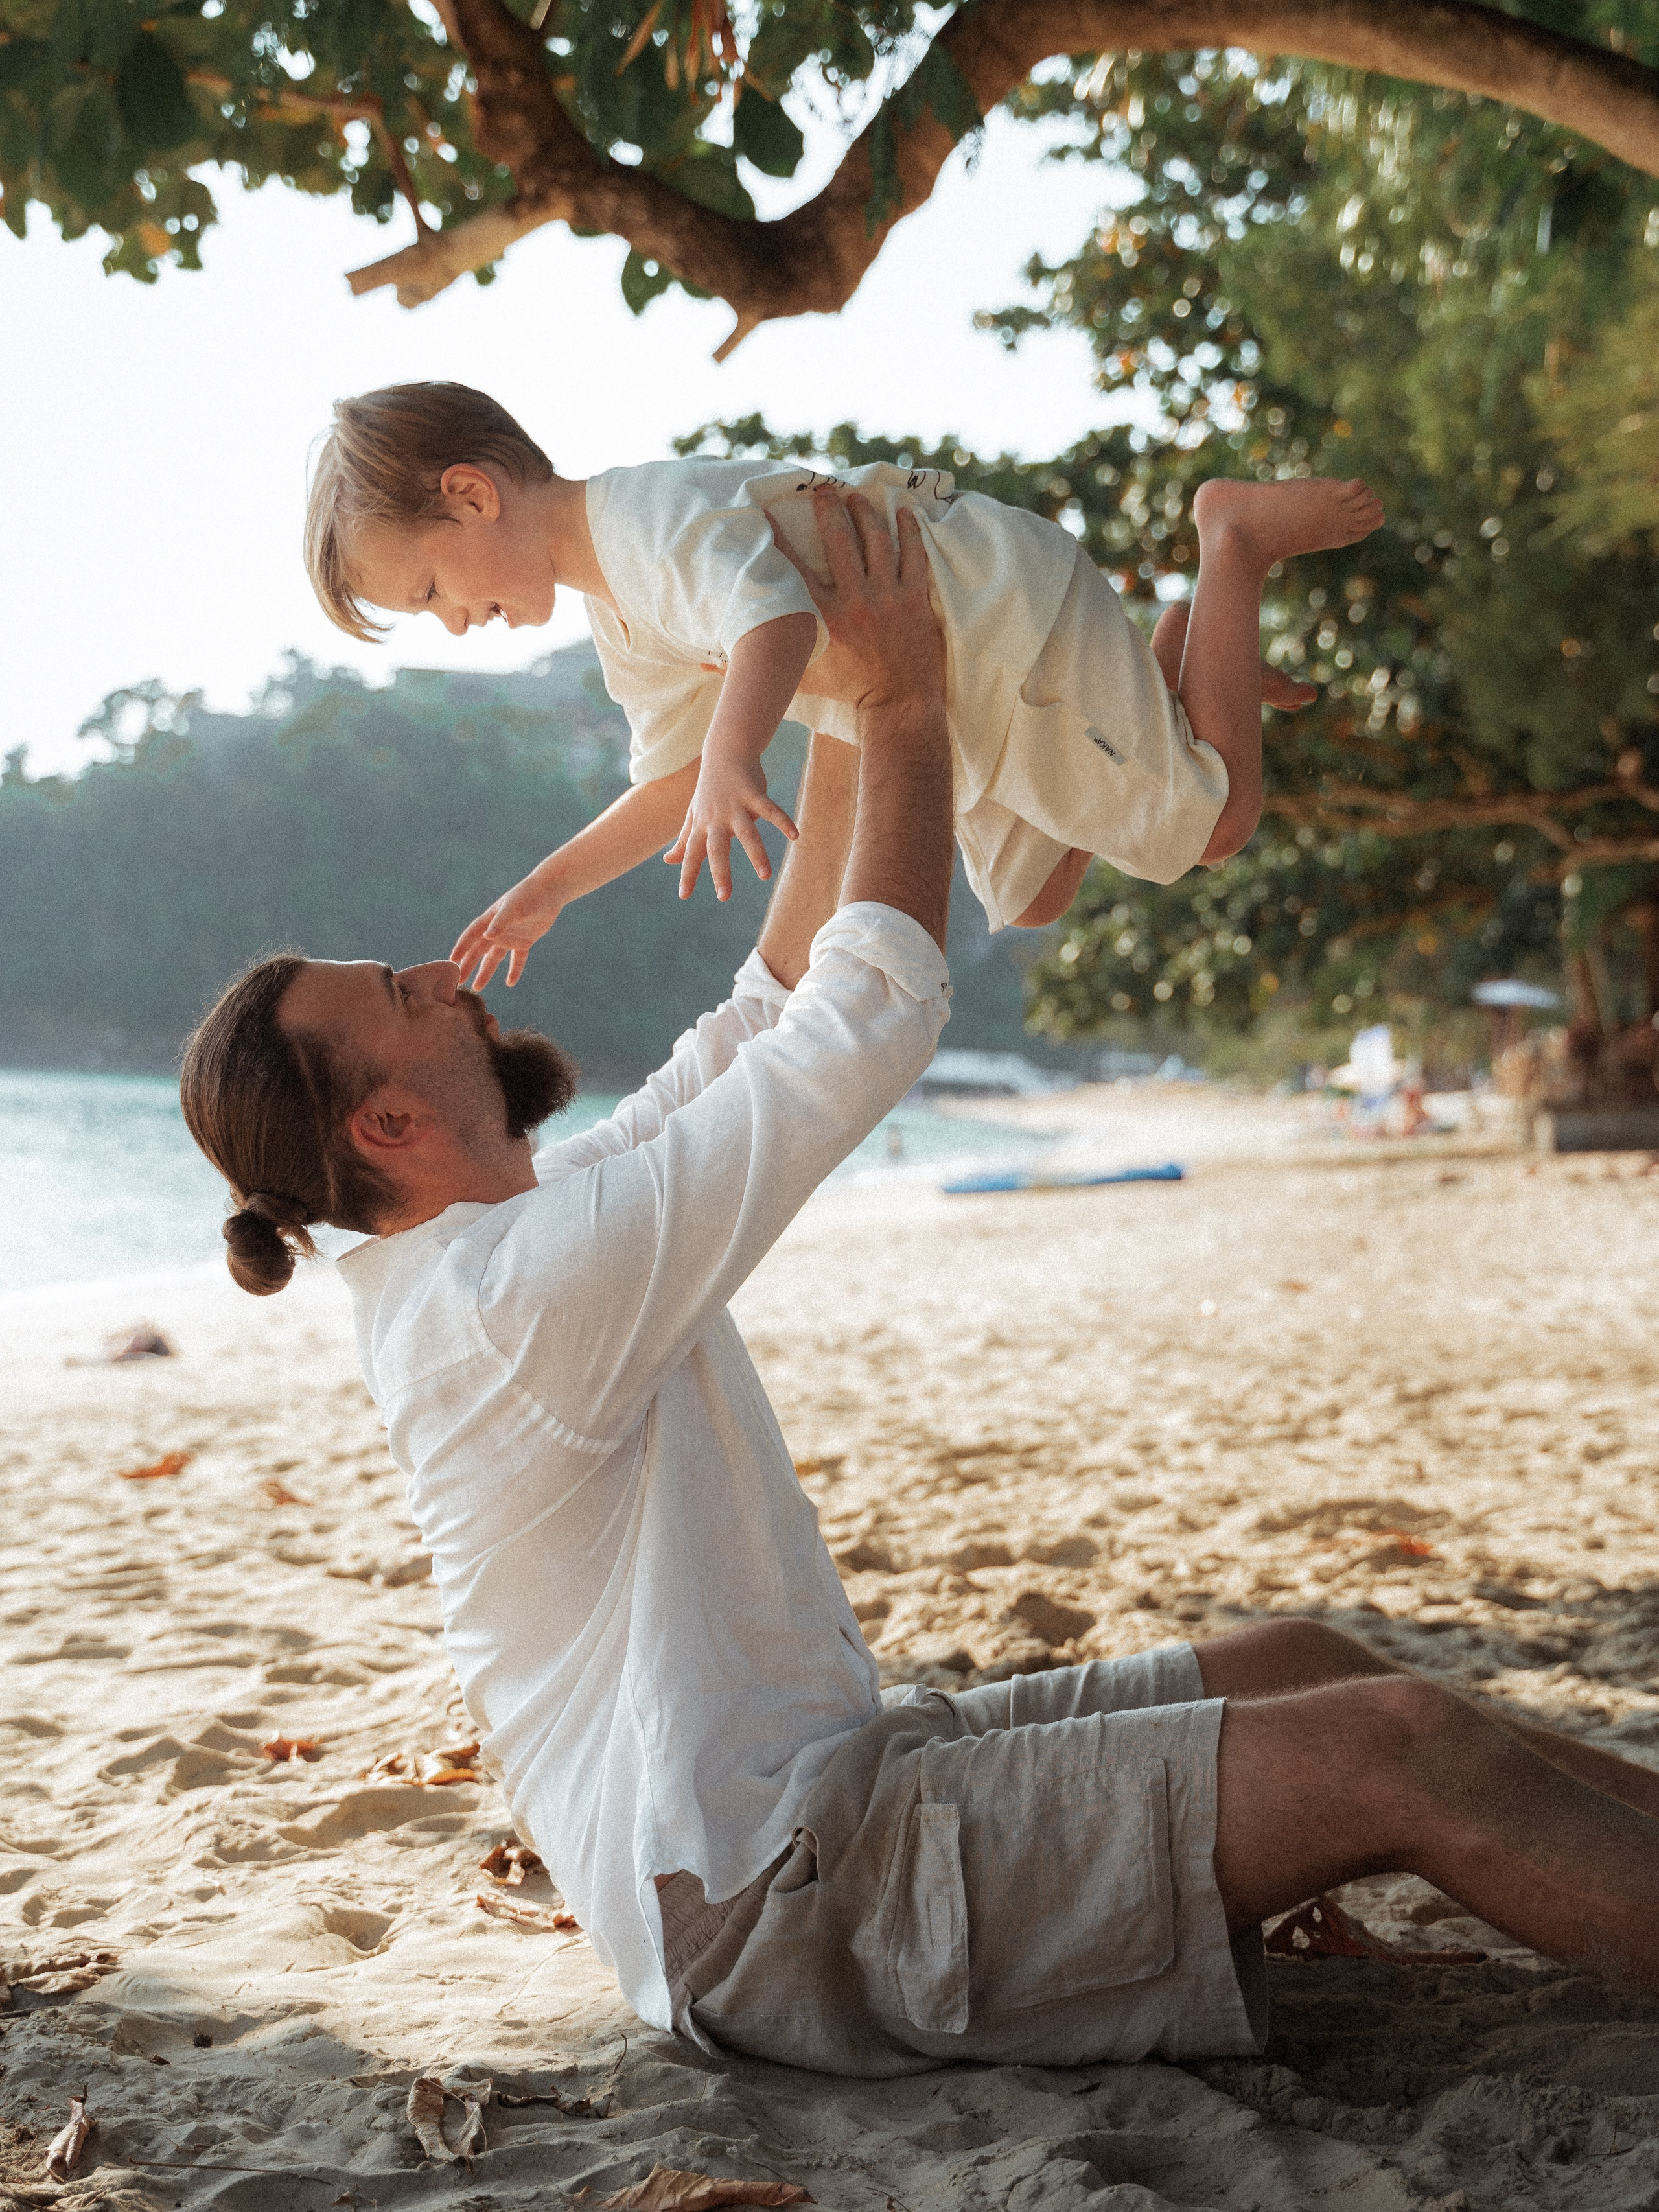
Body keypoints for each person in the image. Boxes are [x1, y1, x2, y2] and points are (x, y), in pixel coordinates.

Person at [186, 493, 1659, 2077]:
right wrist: (899, 701)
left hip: (839, 1796)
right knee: (1400, 1749)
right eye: (406, 995)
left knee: (1315, 1663)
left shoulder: (506, 1238)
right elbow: (861, 1020)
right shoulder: (507, 1298)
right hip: (779, 1903)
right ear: (385, 1127)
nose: (448, 978)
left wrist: (835, 702)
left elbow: (761, 1016)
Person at [301, 382, 1380, 990]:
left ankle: (1232, 539)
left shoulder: (643, 521)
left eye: (431, 589)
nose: (452, 622)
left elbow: (769, 616)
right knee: (1033, 897)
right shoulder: (616, 611)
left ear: (471, 493)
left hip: (999, 627)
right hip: (961, 686)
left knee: (1214, 823)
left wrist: (735, 758)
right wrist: (551, 887)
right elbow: (674, 776)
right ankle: (1178, 664)